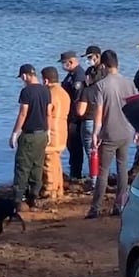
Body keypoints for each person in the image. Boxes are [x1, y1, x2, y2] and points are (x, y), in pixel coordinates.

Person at [86, 50, 138, 219]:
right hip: (126, 131)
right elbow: (136, 108)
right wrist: (137, 130)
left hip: (109, 133)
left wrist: (95, 133)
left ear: (103, 65)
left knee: (103, 171)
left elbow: (99, 113)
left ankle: (95, 208)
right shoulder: (129, 83)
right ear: (117, 64)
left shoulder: (101, 85)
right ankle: (119, 205)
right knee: (122, 168)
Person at [9, 64, 52, 211]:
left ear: (25, 75)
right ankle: (33, 197)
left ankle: (17, 200)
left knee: (22, 166)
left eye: (22, 77)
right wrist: (49, 131)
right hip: (42, 134)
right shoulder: (45, 90)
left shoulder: (26, 92)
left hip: (29, 135)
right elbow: (48, 113)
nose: (22, 80)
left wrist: (15, 133)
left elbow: (23, 114)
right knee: (37, 166)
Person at [40, 66, 70, 200]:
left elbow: (47, 113)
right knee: (56, 161)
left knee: (48, 162)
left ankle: (50, 190)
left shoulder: (50, 94)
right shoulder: (63, 92)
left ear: (46, 80)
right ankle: (59, 189)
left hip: (52, 132)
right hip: (63, 130)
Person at [60, 51, 88, 181]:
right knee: (71, 145)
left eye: (64, 63)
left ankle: (76, 173)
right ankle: (74, 171)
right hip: (70, 116)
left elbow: (77, 98)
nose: (63, 66)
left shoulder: (78, 75)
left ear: (70, 62)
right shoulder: (71, 75)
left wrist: (73, 117)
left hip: (75, 118)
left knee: (75, 146)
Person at [75, 76, 100, 192]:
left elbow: (81, 111)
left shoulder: (87, 91)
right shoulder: (102, 89)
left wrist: (76, 104)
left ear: (88, 77)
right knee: (101, 152)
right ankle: (101, 179)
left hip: (89, 122)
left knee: (91, 153)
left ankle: (94, 182)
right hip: (103, 123)